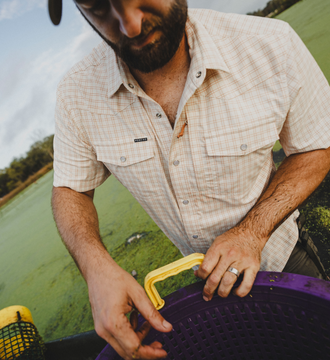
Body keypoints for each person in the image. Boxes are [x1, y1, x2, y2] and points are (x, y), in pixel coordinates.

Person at [50, 0, 330, 359]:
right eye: (99, 6)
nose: (130, 26)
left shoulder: (271, 44)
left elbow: (315, 149)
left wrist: (252, 232)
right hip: (203, 288)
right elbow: (70, 188)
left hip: (284, 259)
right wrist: (95, 267)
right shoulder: (76, 95)